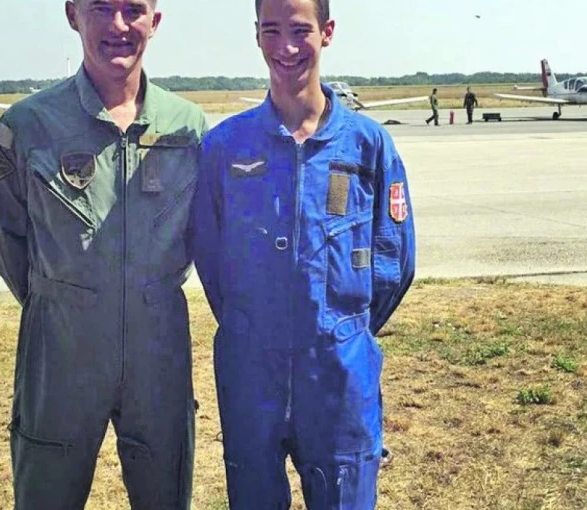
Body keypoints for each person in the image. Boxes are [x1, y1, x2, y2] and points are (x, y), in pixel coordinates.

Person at [0, 0, 206, 508]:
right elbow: (1, 235)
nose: (118, 25)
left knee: (166, 494)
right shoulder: (27, 126)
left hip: (159, 352)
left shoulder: (189, 128)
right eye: (102, 7)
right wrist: (64, 298)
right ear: (72, 14)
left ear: (155, 21)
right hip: (61, 351)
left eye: (133, 9)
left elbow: (202, 234)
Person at [193, 0, 416, 508]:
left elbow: (394, 262)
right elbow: (210, 256)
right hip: (251, 371)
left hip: (339, 373)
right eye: (271, 31)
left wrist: (338, 329)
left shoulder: (368, 146)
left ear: (327, 31)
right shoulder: (225, 147)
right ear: (256, 34)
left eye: (300, 30)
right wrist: (256, 327)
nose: (286, 47)